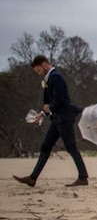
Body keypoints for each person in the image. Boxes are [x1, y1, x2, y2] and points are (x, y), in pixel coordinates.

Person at [13, 55, 89, 187]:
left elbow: (59, 101)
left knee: (71, 147)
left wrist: (47, 109)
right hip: (57, 118)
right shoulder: (50, 78)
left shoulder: (56, 77)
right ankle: (33, 178)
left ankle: (83, 177)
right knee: (46, 146)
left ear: (43, 65)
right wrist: (42, 113)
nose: (38, 73)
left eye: (38, 70)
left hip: (64, 118)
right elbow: (51, 102)